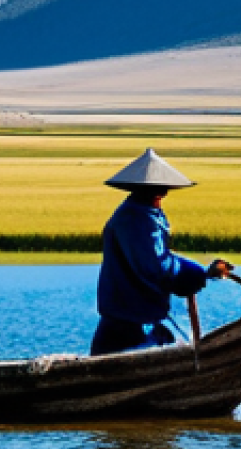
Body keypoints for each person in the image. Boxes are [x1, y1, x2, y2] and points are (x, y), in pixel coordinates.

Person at [91, 148, 231, 356]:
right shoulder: (136, 219)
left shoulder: (144, 213)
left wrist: (200, 272)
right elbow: (156, 266)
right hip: (129, 320)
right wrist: (195, 273)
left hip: (133, 315)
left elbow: (160, 259)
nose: (162, 192)